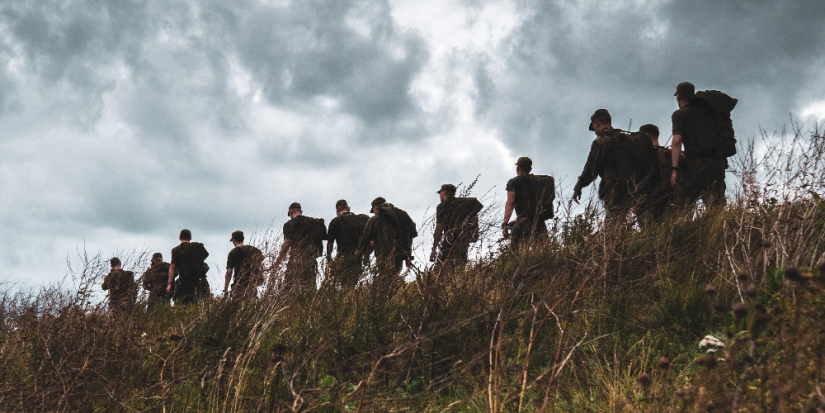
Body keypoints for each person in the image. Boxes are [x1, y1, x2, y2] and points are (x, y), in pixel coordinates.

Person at [572, 109, 656, 228]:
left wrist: (578, 186)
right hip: (637, 186)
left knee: (613, 226)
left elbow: (591, 170)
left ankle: (617, 246)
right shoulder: (625, 138)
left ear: (596, 122)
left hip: (615, 190)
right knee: (646, 223)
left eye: (594, 128)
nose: (595, 132)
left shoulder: (601, 141)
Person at [670, 81, 728, 208]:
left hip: (697, 164)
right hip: (717, 164)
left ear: (679, 96)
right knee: (717, 207)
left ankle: (682, 227)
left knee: (680, 206)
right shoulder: (708, 113)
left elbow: (676, 141)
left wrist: (674, 169)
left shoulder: (680, 114)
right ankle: (722, 228)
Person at [357, 197, 418, 280]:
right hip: (399, 255)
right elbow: (409, 234)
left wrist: (357, 253)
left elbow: (364, 238)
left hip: (383, 256)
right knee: (395, 277)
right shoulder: (401, 215)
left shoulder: (375, 219)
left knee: (384, 280)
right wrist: (408, 256)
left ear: (375, 207)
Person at [637, 124, 684, 222]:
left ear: (644, 137)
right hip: (674, 201)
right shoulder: (673, 155)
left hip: (649, 203)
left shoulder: (644, 157)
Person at [274, 202, 325, 291]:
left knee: (288, 288)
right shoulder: (313, 222)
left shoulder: (289, 224)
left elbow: (286, 244)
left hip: (296, 260)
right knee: (310, 288)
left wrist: (278, 261)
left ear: (290, 212)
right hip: (311, 260)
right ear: (301, 211)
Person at [430, 184, 481, 269]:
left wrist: (434, 248)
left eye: (440, 193)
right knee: (460, 265)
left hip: (448, 241)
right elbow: (477, 208)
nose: (440, 196)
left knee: (441, 267)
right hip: (463, 239)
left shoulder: (441, 207)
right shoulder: (465, 203)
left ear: (444, 192)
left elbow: (439, 228)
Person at [502, 157, 549, 248]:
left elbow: (510, 202)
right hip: (540, 223)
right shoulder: (537, 182)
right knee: (543, 251)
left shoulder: (513, 182)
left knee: (516, 254)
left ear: (517, 168)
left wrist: (505, 223)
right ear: (530, 169)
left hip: (523, 223)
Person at [326, 200, 369, 288]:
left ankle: (346, 299)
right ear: (349, 209)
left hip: (343, 257)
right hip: (358, 257)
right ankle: (351, 298)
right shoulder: (360, 220)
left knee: (345, 284)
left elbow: (330, 243)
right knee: (353, 283)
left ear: (337, 210)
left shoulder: (335, 221)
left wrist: (329, 258)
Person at [167, 229, 210, 305]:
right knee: (196, 303)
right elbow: (205, 255)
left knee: (180, 303)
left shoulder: (175, 250)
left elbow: (172, 267)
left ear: (179, 238)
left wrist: (170, 283)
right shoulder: (198, 248)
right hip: (197, 281)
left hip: (183, 281)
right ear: (190, 237)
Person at [224, 230, 264, 299]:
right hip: (252, 284)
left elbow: (229, 272)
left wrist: (225, 288)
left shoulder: (233, 252)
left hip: (239, 284)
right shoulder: (254, 250)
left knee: (236, 303)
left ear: (234, 239)